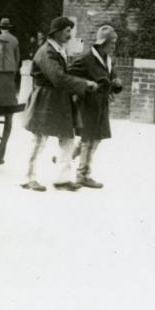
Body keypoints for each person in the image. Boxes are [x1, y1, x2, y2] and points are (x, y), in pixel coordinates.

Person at [21, 16, 98, 192]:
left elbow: (62, 76)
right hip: (46, 99)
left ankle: (63, 179)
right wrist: (83, 84)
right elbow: (57, 77)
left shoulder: (57, 49)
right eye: (67, 31)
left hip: (58, 99)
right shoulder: (47, 51)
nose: (70, 35)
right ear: (56, 32)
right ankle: (28, 178)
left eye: (71, 31)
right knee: (39, 139)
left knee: (67, 138)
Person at [67, 25, 123, 189]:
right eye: (111, 43)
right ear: (102, 43)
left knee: (93, 138)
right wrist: (85, 86)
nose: (114, 46)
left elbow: (110, 79)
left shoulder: (109, 60)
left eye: (114, 43)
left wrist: (116, 84)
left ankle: (67, 156)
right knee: (90, 139)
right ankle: (83, 175)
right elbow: (69, 75)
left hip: (101, 105)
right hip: (88, 104)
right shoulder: (86, 59)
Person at [0, 17, 21, 90]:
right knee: (10, 89)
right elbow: (18, 56)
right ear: (9, 28)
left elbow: (0, 55)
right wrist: (16, 68)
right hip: (12, 68)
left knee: (2, 89)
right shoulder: (14, 39)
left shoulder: (0, 37)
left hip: (4, 69)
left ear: (0, 28)